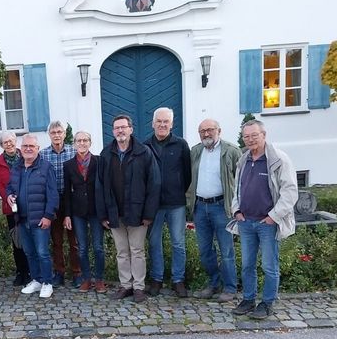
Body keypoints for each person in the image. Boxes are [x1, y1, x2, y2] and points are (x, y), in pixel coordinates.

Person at [230, 120, 298, 319]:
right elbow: (237, 190)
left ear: (264, 135)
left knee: (269, 266)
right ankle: (248, 300)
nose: (250, 139)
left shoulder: (278, 159)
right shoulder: (243, 160)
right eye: (246, 136)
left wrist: (272, 217)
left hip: (267, 223)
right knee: (247, 265)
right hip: (246, 222)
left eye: (254, 135)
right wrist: (237, 211)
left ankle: (267, 303)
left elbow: (290, 192)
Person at [96, 115, 160, 303]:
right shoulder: (106, 154)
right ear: (113, 131)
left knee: (137, 250)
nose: (120, 131)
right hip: (114, 212)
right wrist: (103, 214)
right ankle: (126, 285)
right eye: (117, 128)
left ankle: (139, 287)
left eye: (123, 127)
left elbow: (154, 184)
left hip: (138, 213)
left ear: (131, 129)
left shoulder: (144, 153)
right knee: (122, 251)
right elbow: (99, 186)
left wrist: (149, 214)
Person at [188, 119, 241, 302]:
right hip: (200, 207)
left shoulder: (231, 151)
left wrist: (238, 207)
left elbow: (241, 181)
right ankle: (214, 283)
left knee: (226, 250)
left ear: (219, 130)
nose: (206, 134)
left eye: (210, 130)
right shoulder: (195, 151)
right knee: (205, 250)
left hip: (221, 207)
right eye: (202, 131)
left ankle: (230, 288)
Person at [144, 108, 191, 297]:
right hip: (153, 205)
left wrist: (178, 188)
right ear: (153, 123)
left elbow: (187, 174)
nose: (162, 125)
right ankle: (157, 279)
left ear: (172, 124)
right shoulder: (145, 146)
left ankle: (178, 280)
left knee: (178, 242)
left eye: (166, 122)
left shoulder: (181, 145)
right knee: (154, 242)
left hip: (175, 203)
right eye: (159, 121)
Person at [7, 134, 59, 298]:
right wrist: (9, 196)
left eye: (32, 146)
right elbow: (10, 187)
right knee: (29, 252)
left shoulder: (46, 167)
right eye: (25, 146)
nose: (28, 149)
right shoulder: (16, 167)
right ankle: (36, 280)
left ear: (37, 149)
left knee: (42, 252)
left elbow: (53, 194)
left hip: (40, 219)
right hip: (22, 219)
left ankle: (47, 282)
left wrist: (48, 216)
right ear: (20, 149)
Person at [39, 121, 81, 288]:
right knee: (56, 240)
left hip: (71, 199)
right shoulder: (43, 154)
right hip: (52, 201)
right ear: (49, 135)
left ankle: (77, 273)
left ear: (64, 134)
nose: (57, 135)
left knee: (74, 240)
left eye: (59, 132)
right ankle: (59, 272)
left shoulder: (73, 151)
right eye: (53, 132)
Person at [62, 131, 106, 294]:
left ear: (90, 142)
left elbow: (105, 187)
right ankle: (86, 279)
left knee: (98, 247)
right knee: (81, 248)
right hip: (78, 211)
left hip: (96, 210)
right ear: (74, 144)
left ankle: (100, 280)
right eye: (79, 140)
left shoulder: (99, 162)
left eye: (85, 140)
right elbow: (66, 191)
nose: (82, 143)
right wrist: (67, 214)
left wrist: (106, 212)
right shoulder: (68, 165)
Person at [0, 131, 30, 286]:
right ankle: (20, 272)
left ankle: (30, 272)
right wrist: (9, 199)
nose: (9, 144)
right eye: (5, 142)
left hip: (28, 206)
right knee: (16, 241)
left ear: (16, 141)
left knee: (29, 239)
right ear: (2, 145)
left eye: (11, 141)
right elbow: (0, 185)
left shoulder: (25, 157)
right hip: (11, 207)